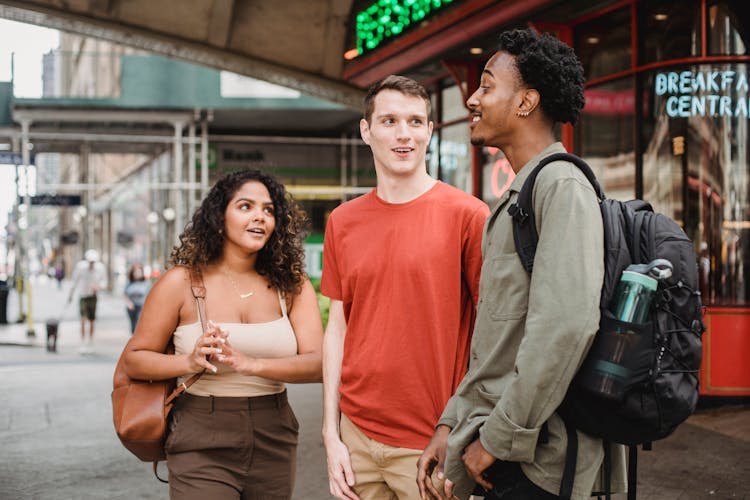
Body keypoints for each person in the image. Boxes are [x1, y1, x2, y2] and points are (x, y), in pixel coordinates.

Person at [416, 28, 627, 500]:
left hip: (542, 464)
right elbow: (499, 342)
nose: (472, 98)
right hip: (507, 453)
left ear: (527, 102)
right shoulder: (518, 198)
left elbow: (566, 327)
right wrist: (453, 421)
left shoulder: (560, 188)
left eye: (487, 86)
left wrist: (496, 438)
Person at [321, 75, 489, 500]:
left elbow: (492, 332)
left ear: (431, 131)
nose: (403, 134)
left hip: (430, 441)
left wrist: (463, 426)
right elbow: (337, 329)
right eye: (389, 120)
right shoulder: (343, 221)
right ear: (366, 131)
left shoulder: (468, 215)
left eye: (415, 122)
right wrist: (330, 433)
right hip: (355, 435)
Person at [122, 170, 324, 499]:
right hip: (200, 432)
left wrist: (251, 364)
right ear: (219, 218)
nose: (260, 216)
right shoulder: (180, 282)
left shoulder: (293, 286)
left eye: (269, 210)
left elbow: (318, 364)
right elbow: (135, 361)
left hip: (274, 432)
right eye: (246, 206)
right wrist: (189, 360)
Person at [67, 249, 106, 354]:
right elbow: (74, 281)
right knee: (83, 318)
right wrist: (70, 296)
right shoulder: (81, 267)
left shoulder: (100, 268)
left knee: (92, 320)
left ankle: (91, 340)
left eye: (93, 262)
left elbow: (104, 282)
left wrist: (98, 287)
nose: (91, 264)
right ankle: (83, 340)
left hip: (93, 297)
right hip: (83, 296)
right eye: (90, 262)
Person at [123, 262, 150, 334]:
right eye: (135, 271)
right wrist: (129, 303)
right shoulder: (129, 283)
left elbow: (149, 295)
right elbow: (125, 294)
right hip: (131, 307)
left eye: (139, 271)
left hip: (141, 306)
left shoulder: (146, 282)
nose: (137, 273)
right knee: (133, 326)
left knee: (139, 325)